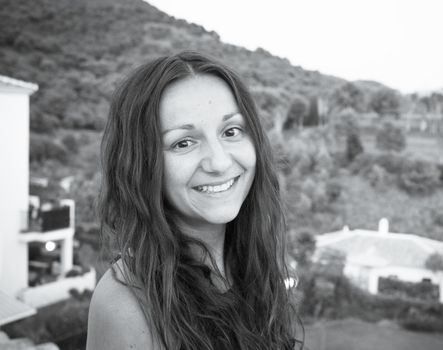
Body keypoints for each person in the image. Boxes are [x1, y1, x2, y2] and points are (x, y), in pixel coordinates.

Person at [86, 51, 301, 350]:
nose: (219, 162)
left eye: (231, 131)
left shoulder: (250, 268)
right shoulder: (127, 303)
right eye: (183, 142)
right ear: (141, 164)